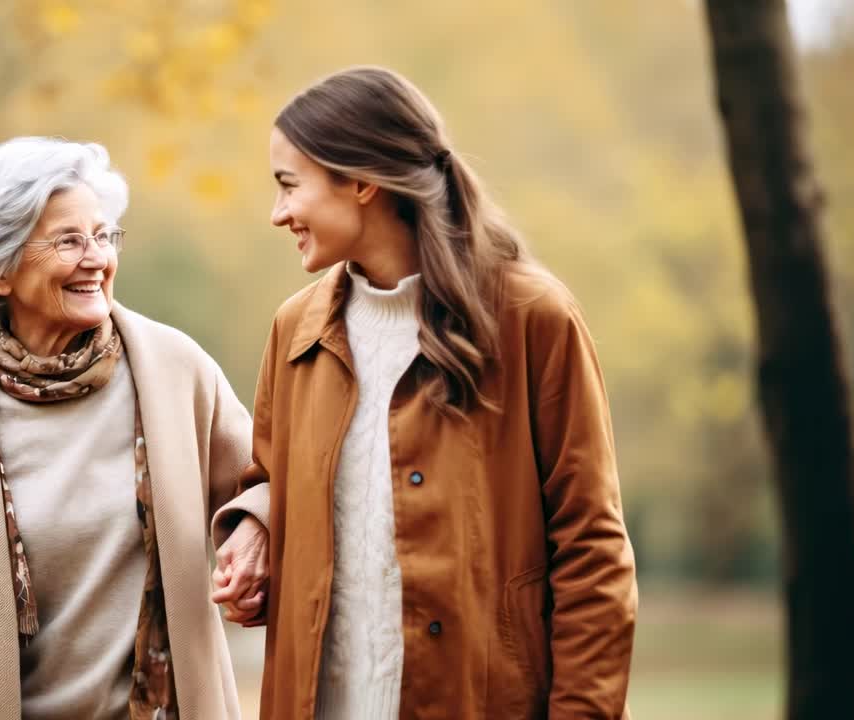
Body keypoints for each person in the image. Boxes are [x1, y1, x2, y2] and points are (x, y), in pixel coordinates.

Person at [213, 66, 638, 718]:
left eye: (289, 187)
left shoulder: (532, 319)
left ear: (360, 181)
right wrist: (255, 525)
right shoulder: (294, 329)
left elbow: (593, 555)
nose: (278, 214)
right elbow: (275, 476)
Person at [0, 136, 270, 720]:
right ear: (1, 272)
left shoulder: (176, 371)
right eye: (69, 240)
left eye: (103, 235)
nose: (96, 257)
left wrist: (257, 525)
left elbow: (267, 481)